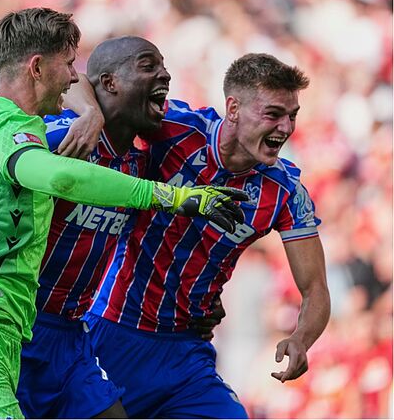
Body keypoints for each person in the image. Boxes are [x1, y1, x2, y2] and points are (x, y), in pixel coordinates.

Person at [0, 8, 247, 419]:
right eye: (69, 65)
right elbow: (61, 179)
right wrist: (174, 196)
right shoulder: (16, 130)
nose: (75, 79)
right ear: (37, 67)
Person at [83, 53, 332, 418]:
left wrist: (300, 339)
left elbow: (316, 289)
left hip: (186, 351)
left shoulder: (285, 192)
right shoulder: (174, 129)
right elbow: (86, 86)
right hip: (112, 329)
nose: (285, 127)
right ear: (233, 108)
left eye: (292, 115)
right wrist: (90, 115)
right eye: (273, 114)